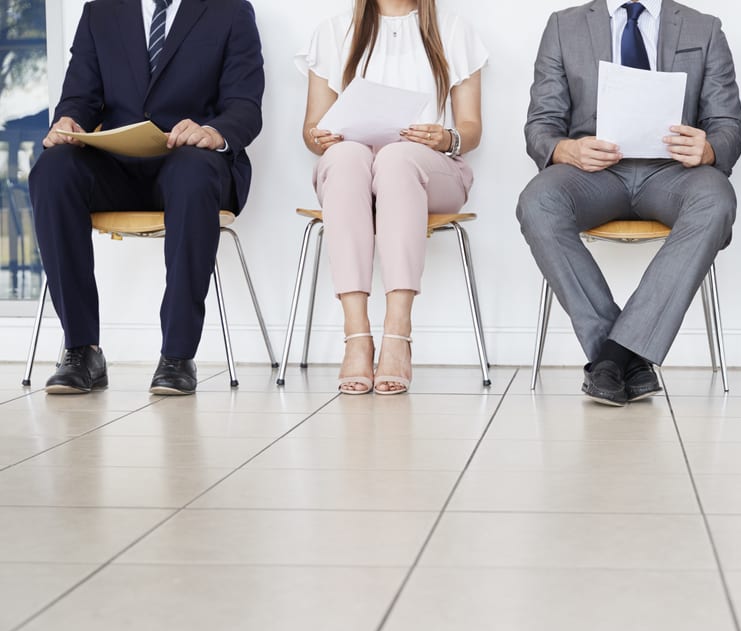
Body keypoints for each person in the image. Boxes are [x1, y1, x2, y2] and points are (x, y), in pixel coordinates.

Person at [31, 0, 264, 396]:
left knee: (192, 172)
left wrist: (213, 131)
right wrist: (69, 121)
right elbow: (80, 98)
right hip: (116, 165)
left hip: (190, 162)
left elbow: (245, 105)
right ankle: (81, 349)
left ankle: (177, 355)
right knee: (53, 170)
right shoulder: (100, 12)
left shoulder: (230, 11)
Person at [516, 0, 741, 407]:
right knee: (538, 201)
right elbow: (541, 124)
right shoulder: (563, 26)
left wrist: (708, 149)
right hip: (593, 173)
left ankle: (612, 358)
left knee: (715, 199)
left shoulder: (703, 28)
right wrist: (567, 149)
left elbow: (728, 125)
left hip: (674, 173)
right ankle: (627, 354)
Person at [299, 0, 486, 395]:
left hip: (430, 172)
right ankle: (357, 335)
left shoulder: (453, 31)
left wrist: (447, 137)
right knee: (347, 154)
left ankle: (398, 334)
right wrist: (321, 136)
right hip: (353, 173)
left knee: (396, 158)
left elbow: (470, 128)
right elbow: (311, 129)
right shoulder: (334, 31)